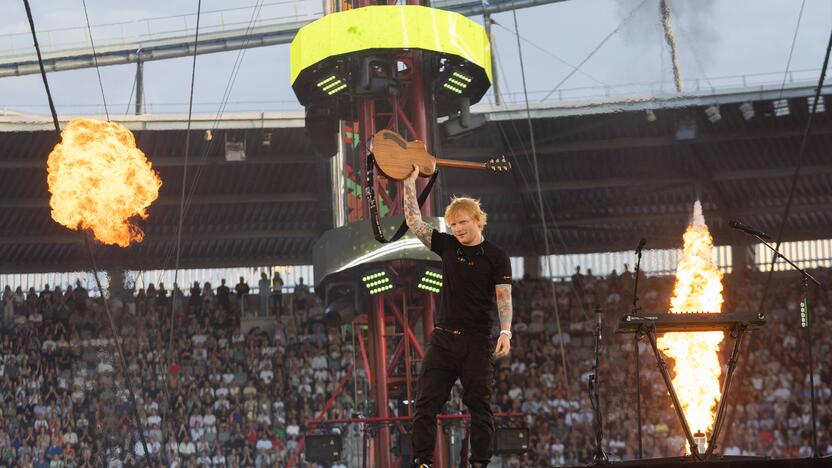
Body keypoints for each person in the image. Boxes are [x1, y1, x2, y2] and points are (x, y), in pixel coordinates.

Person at [403, 164, 513, 468]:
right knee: (425, 403)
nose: (458, 229)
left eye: (462, 222)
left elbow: (504, 296)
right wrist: (410, 183)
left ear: (478, 221)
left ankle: (479, 463)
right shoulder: (447, 245)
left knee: (479, 407)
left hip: (476, 342)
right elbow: (413, 221)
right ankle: (422, 462)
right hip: (443, 339)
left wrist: (506, 331)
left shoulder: (496, 256)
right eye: (452, 225)